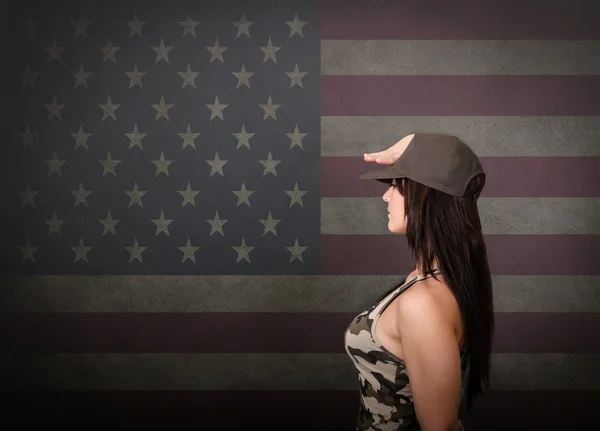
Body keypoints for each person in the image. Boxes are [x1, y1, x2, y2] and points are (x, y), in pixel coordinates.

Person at [344, 133, 495, 431]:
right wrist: (417, 143)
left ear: (426, 195)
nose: (385, 196)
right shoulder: (427, 279)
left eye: (396, 186)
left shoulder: (423, 303)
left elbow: (440, 428)